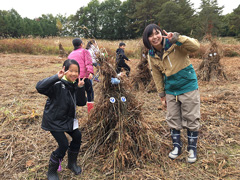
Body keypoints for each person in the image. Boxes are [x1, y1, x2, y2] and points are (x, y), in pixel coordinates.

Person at [143, 24, 201, 163]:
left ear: (160, 33)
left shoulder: (175, 43)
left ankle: (192, 148)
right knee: (172, 117)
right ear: (147, 39)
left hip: (187, 85)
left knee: (191, 117)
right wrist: (161, 95)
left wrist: (178, 37)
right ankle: (177, 146)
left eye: (156, 33)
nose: (154, 37)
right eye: (150, 35)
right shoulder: (151, 54)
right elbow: (156, 75)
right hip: (170, 89)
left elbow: (196, 47)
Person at [36, 59, 86, 179]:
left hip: (68, 120)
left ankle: (71, 163)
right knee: (63, 144)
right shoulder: (57, 84)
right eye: (71, 71)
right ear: (64, 69)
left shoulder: (74, 85)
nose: (74, 74)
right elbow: (39, 87)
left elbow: (81, 102)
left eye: (76, 71)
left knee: (77, 136)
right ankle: (52, 171)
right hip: (54, 121)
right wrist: (56, 77)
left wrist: (80, 88)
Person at [68, 38, 94, 112]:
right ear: (81, 44)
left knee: (75, 92)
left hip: (73, 77)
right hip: (84, 77)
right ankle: (90, 111)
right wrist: (90, 72)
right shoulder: (85, 51)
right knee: (90, 92)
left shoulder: (71, 54)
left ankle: (73, 111)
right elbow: (88, 62)